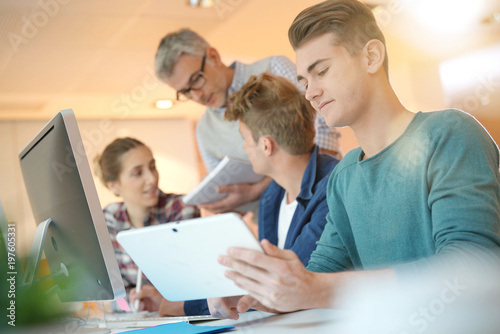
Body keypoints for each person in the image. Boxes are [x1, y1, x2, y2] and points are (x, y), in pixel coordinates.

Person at [207, 0, 500, 320]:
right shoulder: (345, 175)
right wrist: (260, 295)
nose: (310, 93)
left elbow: (472, 267)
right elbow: (320, 273)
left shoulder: (448, 133)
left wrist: (315, 288)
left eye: (321, 71)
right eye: (304, 81)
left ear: (371, 57)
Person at [134, 73, 340, 316]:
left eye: (245, 139)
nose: (244, 147)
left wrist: (176, 306)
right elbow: (259, 283)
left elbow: (283, 285)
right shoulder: (272, 196)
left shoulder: (333, 188)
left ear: (266, 145)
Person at [154, 28, 342, 215]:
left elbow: (325, 126)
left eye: (196, 80)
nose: (196, 94)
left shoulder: (273, 68)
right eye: (185, 92)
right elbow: (229, 195)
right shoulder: (203, 132)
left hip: (327, 196)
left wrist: (257, 190)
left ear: (213, 56)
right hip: (272, 226)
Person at [94, 137, 200, 308]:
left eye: (152, 167)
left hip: (182, 313)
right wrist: (130, 303)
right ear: (113, 185)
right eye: (138, 173)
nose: (152, 179)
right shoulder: (108, 219)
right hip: (139, 318)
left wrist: (164, 301)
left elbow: (196, 282)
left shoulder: (181, 208)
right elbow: (109, 298)